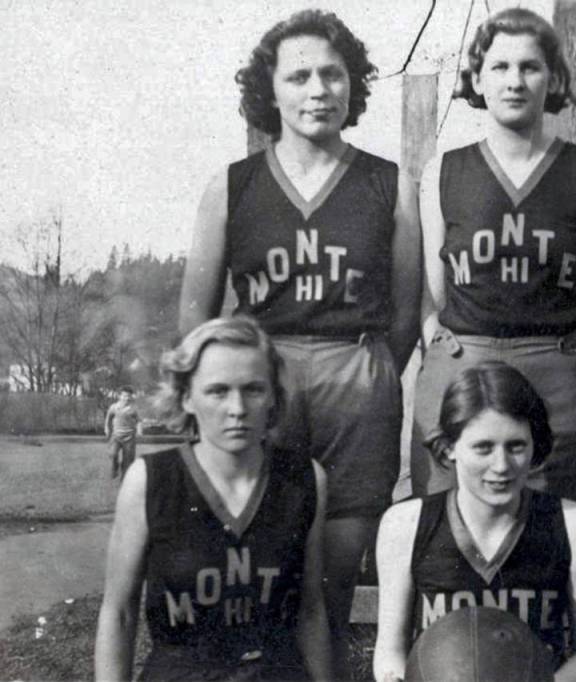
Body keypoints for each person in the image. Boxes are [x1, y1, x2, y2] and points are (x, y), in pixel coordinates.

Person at [176, 10, 420, 674]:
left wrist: (366, 374)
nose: (318, 90)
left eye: (333, 75)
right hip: (261, 381)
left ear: (353, 86)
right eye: (300, 75)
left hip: (357, 377)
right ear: (272, 90)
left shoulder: (390, 184)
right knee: (257, 572)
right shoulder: (231, 186)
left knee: (334, 585)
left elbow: (406, 313)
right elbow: (195, 318)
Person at [411, 7, 576, 506]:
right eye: (500, 67)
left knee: (554, 527)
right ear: (477, 79)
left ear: (552, 79)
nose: (515, 81)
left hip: (553, 367)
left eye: (530, 67)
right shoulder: (445, 170)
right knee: (447, 521)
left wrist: (562, 361)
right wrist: (444, 352)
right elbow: (430, 297)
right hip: (465, 360)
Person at [94, 316, 330, 681]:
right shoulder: (150, 480)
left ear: (273, 396)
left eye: (253, 389)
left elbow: (311, 611)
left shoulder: (305, 479)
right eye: (218, 391)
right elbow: (119, 613)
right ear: (187, 397)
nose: (237, 408)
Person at [375, 362, 576, 682]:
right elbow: (389, 651)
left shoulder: (572, 523)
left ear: (535, 446)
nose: (501, 465)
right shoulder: (406, 524)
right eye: (483, 448)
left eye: (516, 447)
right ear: (449, 448)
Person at [105, 386, 140, 481]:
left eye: (129, 396)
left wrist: (140, 430)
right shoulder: (114, 407)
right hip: (116, 436)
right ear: (119, 396)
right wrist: (107, 428)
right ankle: (115, 467)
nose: (127, 398)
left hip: (129, 437)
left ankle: (124, 479)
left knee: (128, 460)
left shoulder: (133, 408)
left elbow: (138, 420)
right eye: (124, 396)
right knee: (112, 454)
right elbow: (108, 418)